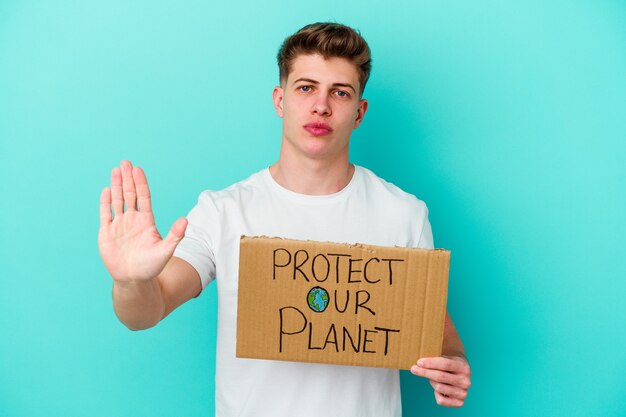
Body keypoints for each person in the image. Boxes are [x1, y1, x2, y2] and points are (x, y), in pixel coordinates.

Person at [98, 22, 471, 416]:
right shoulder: (224, 211)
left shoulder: (403, 213)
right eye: (306, 87)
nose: (321, 106)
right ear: (280, 100)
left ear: (360, 112)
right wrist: (131, 281)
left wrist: (454, 362)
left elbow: (436, 330)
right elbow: (146, 311)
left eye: (340, 93)